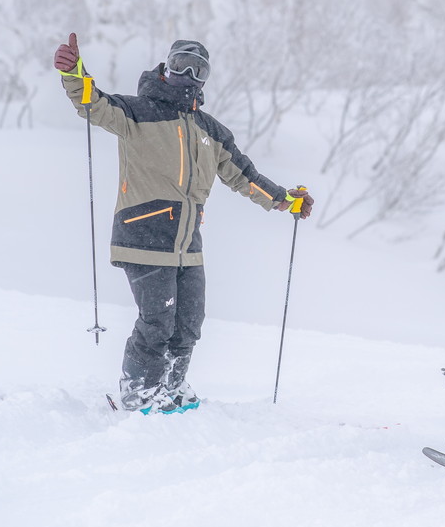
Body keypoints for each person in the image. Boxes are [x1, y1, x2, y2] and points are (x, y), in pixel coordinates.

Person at [54, 33, 313, 412]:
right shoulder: (137, 112)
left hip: (187, 244)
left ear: (205, 78)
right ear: (167, 66)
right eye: (181, 64)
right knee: (158, 321)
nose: (188, 72)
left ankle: (171, 386)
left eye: (198, 68)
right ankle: (139, 391)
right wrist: (74, 72)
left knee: (189, 322)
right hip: (143, 234)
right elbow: (93, 103)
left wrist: (285, 200)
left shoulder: (211, 131)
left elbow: (244, 175)